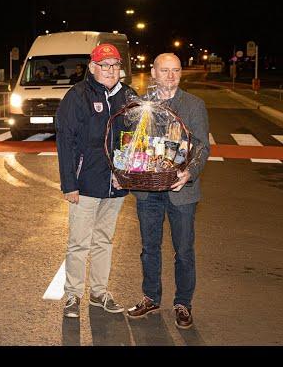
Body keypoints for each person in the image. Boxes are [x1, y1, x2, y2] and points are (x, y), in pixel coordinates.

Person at [125, 53, 210, 329]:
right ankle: (151, 297)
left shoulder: (194, 105)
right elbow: (132, 143)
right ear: (153, 72)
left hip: (181, 191)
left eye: (176, 70)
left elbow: (202, 147)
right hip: (149, 192)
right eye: (165, 71)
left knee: (183, 250)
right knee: (149, 248)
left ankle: (183, 303)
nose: (171, 76)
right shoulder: (142, 105)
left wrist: (189, 173)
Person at [56, 43, 135, 318]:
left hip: (115, 185)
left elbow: (136, 139)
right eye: (105, 65)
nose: (110, 70)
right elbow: (65, 141)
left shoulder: (128, 96)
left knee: (104, 240)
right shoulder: (77, 96)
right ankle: (73, 295)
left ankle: (99, 292)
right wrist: (69, 184)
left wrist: (129, 174)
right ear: (93, 67)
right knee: (79, 242)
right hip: (85, 183)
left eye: (115, 65)